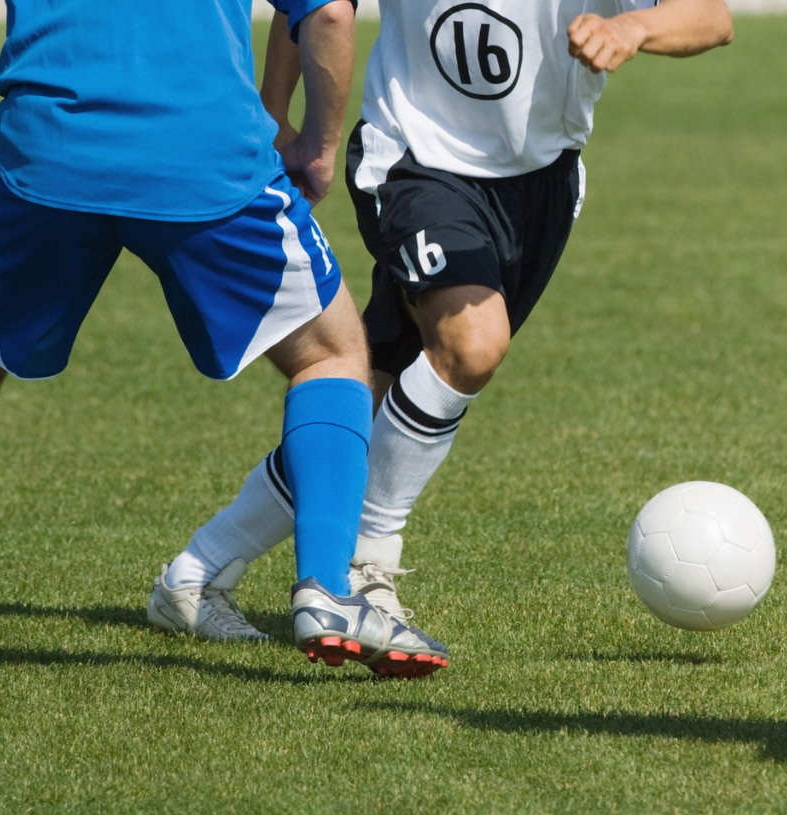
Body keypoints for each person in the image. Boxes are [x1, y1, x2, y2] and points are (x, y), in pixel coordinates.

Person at [149, 0, 733, 677]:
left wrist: (632, 27)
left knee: (368, 403)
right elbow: (314, 5)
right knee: (472, 342)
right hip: (412, 159)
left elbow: (712, 17)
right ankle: (369, 566)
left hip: (540, 184)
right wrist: (277, 114)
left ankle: (193, 575)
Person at [0, 0, 420, 670]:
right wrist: (319, 141)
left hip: (46, 152)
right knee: (332, 351)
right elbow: (331, 14)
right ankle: (327, 590)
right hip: (205, 156)